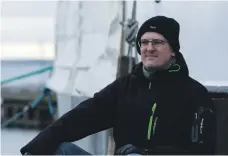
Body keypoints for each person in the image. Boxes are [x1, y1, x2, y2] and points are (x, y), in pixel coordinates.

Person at [20, 16, 216, 155]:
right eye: (144, 42)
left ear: (173, 50)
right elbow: (81, 117)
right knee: (57, 149)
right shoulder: (126, 87)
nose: (149, 48)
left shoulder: (194, 94)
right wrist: (33, 148)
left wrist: (146, 154)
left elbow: (202, 150)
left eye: (158, 42)